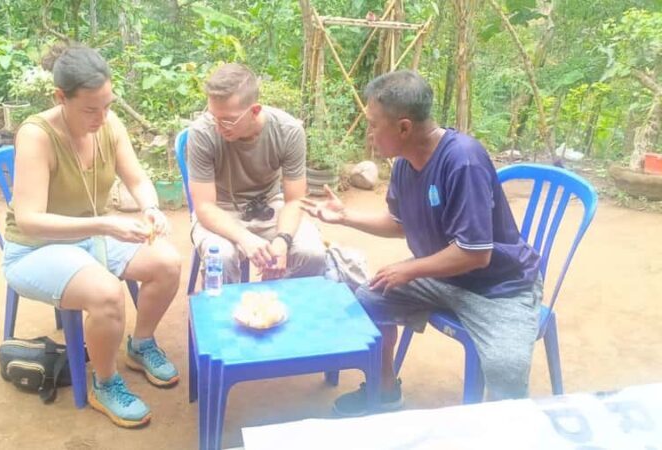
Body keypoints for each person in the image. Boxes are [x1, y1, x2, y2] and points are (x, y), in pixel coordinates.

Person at [302, 70, 543, 417]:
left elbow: (475, 253)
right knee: (371, 298)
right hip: (443, 277)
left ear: (403, 128)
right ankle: (384, 391)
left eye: (373, 124)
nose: (369, 134)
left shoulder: (463, 161)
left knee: (505, 368)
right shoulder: (404, 164)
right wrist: (346, 217)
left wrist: (410, 269)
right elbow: (400, 224)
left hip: (498, 287)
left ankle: (506, 428)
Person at [2, 44, 182, 428]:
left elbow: (137, 178)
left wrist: (150, 207)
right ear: (60, 98)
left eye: (107, 105)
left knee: (167, 262)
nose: (101, 117)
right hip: (35, 249)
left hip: (90, 236)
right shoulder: (37, 136)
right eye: (89, 109)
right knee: (106, 293)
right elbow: (30, 220)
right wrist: (103, 223)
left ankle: (141, 344)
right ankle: (105, 383)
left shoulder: (109, 124)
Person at [187, 63, 325, 283]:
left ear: (255, 111)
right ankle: (227, 315)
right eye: (214, 116)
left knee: (312, 254)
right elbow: (204, 207)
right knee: (220, 257)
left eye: (228, 120)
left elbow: (295, 200)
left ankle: (276, 307)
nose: (218, 126)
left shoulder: (288, 131)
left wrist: (282, 241)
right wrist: (245, 238)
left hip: (270, 206)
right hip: (220, 211)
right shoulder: (202, 133)